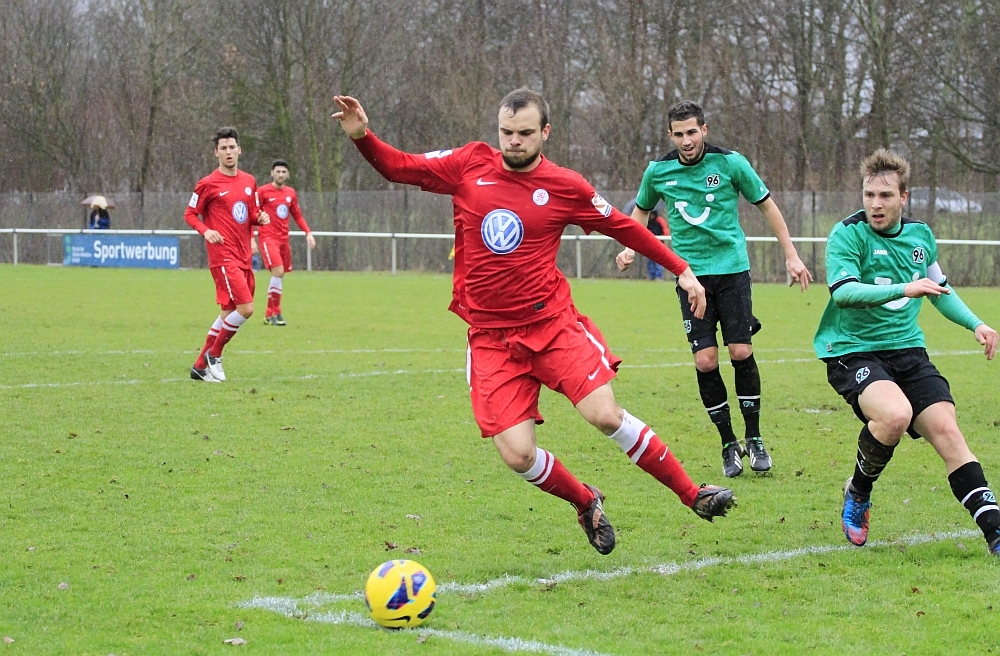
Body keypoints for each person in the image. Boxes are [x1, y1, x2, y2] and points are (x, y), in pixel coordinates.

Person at [332, 89, 736, 556]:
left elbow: (623, 226)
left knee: (604, 414)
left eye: (525, 133)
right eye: (506, 132)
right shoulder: (468, 164)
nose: (514, 141)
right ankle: (585, 501)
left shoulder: (565, 186)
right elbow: (398, 167)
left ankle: (692, 494)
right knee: (518, 455)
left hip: (552, 325)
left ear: (545, 132)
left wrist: (681, 269)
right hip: (491, 339)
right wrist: (362, 136)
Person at [814, 149, 1000, 552]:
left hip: (908, 352)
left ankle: (995, 530)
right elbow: (843, 292)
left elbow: (939, 289)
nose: (875, 205)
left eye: (885, 196)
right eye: (869, 195)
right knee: (895, 415)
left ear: (903, 197)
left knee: (948, 433)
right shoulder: (848, 234)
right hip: (853, 350)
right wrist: (904, 287)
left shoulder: (920, 236)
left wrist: (977, 324)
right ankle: (858, 492)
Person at [616, 100, 813, 478]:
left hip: (733, 271)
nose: (686, 140)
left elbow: (767, 206)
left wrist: (791, 255)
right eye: (679, 134)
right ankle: (728, 443)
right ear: (670, 135)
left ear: (704, 130)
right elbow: (641, 210)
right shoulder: (658, 171)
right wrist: (629, 247)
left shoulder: (730, 163)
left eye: (692, 132)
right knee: (705, 361)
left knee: (740, 351)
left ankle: (754, 437)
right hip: (690, 277)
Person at [184, 127, 270, 382]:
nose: (228, 152)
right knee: (246, 309)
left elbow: (249, 214)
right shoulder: (207, 183)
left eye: (232, 147)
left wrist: (259, 218)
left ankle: (200, 366)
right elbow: (190, 214)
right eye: (223, 148)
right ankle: (215, 354)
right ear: (216, 152)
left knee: (228, 313)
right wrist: (206, 230)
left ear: (239, 150)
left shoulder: (249, 181)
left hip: (244, 255)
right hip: (223, 256)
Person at [252, 160, 316, 326]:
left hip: (283, 240)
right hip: (268, 238)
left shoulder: (290, 193)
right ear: (272, 173)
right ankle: (269, 313)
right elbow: (253, 214)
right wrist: (251, 238)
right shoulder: (263, 192)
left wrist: (308, 232)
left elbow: (297, 215)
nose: (280, 174)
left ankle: (276, 313)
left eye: (283, 172)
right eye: (278, 171)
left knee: (280, 275)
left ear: (288, 174)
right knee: (278, 271)